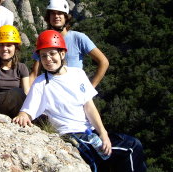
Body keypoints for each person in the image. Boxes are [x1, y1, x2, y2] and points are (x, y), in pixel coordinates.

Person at [13, 30, 146, 172]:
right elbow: (27, 111)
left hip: (90, 133)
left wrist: (103, 133)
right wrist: (22, 116)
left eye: (52, 53)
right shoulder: (41, 83)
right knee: (95, 165)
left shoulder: (77, 74)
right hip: (70, 135)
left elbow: (89, 106)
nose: (48, 59)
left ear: (62, 54)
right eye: (43, 56)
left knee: (132, 146)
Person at [29, 0, 109, 87]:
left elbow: (103, 62)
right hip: (53, 90)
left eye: (60, 13)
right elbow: (35, 73)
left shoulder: (78, 38)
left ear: (66, 17)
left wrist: (90, 88)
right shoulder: (44, 39)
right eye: (53, 13)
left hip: (75, 90)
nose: (56, 16)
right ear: (49, 17)